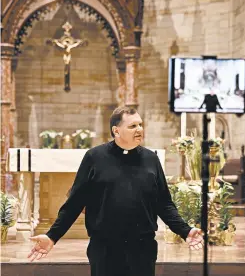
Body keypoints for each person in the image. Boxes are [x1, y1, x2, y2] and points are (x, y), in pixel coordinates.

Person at [28, 106, 203, 276]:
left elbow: (164, 204)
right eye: (133, 126)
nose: (139, 129)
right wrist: (52, 236)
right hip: (105, 249)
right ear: (116, 131)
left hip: (142, 249)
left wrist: (185, 230)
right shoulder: (95, 158)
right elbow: (74, 203)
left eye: (140, 125)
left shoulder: (151, 159)